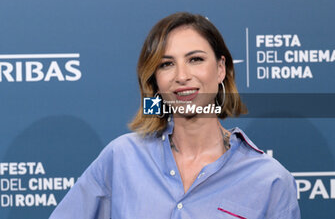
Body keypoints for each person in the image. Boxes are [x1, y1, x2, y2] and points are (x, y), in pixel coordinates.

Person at [49, 12, 300, 219]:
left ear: (221, 69)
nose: (182, 76)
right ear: (155, 80)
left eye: (195, 59)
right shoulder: (121, 157)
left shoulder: (270, 180)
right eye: (166, 64)